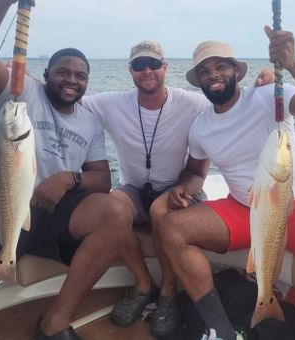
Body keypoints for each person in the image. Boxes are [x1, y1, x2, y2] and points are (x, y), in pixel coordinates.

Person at [82, 40, 275, 336]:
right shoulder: (110, 103)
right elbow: (66, 97)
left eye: (153, 64)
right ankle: (144, 283)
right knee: (113, 210)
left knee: (163, 211)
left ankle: (168, 295)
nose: (147, 71)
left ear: (165, 68)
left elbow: (230, 98)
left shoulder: (192, 102)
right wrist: (23, 80)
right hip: (133, 187)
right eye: (138, 65)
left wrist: (266, 78)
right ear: (130, 72)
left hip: (180, 186)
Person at [0, 2, 156, 340]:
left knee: (115, 210)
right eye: (63, 72)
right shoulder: (21, 91)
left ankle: (55, 322)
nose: (72, 80)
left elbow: (103, 179)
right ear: (46, 74)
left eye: (80, 75)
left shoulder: (89, 121)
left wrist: (69, 178)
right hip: (6, 203)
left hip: (49, 211)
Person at [155, 27, 295, 340]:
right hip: (243, 207)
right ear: (199, 80)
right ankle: (218, 329)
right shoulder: (200, 127)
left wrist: (292, 64)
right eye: (205, 70)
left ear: (236, 70)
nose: (214, 75)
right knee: (171, 227)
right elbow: (196, 173)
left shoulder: (270, 95)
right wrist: (185, 188)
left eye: (221, 66)